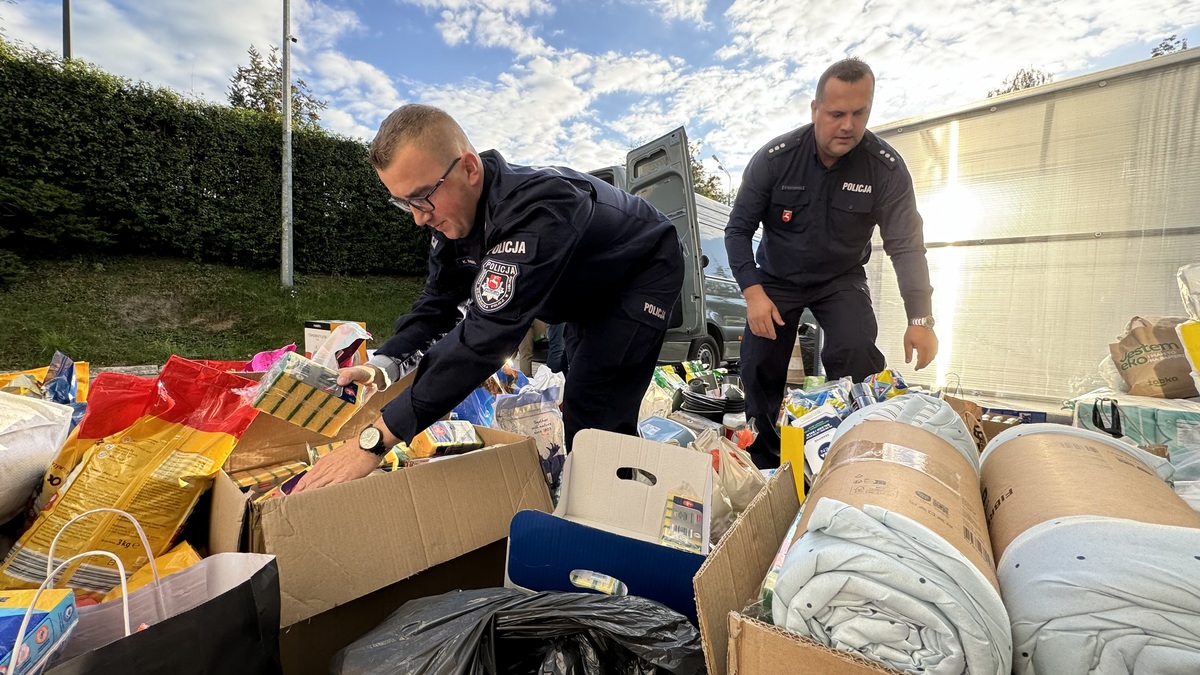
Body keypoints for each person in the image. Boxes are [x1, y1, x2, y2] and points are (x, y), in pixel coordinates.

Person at [295, 104, 683, 493]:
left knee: (596, 411)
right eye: (404, 203)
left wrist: (377, 439)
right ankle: (603, 496)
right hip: (583, 289)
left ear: (469, 168)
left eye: (422, 197)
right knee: (580, 400)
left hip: (641, 271)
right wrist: (384, 364)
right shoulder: (453, 215)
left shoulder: (539, 206)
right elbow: (439, 303)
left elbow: (485, 337)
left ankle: (618, 524)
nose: (417, 217)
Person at [724, 58, 938, 469]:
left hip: (839, 279)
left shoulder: (885, 169)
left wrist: (921, 318)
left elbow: (907, 244)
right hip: (775, 279)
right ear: (815, 110)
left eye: (860, 114)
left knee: (855, 351)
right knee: (758, 367)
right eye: (837, 113)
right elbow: (737, 230)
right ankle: (769, 463)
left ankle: (852, 454)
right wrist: (752, 293)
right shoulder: (774, 160)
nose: (848, 125)